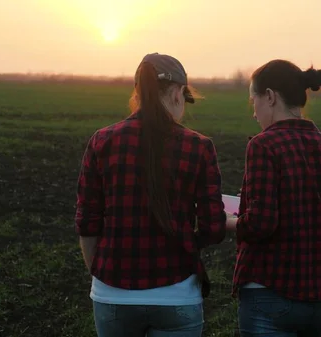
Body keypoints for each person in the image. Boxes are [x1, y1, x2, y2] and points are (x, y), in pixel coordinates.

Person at [75, 52, 227, 337]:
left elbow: (87, 221)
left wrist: (100, 273)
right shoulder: (199, 147)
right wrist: (185, 244)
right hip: (177, 294)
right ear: (178, 93)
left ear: (138, 91)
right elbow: (213, 228)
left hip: (112, 294)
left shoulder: (102, 141)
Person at [225, 59, 321, 337]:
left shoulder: (264, 144)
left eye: (253, 101)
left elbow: (260, 224)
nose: (254, 114)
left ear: (269, 96)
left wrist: (228, 221)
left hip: (273, 290)